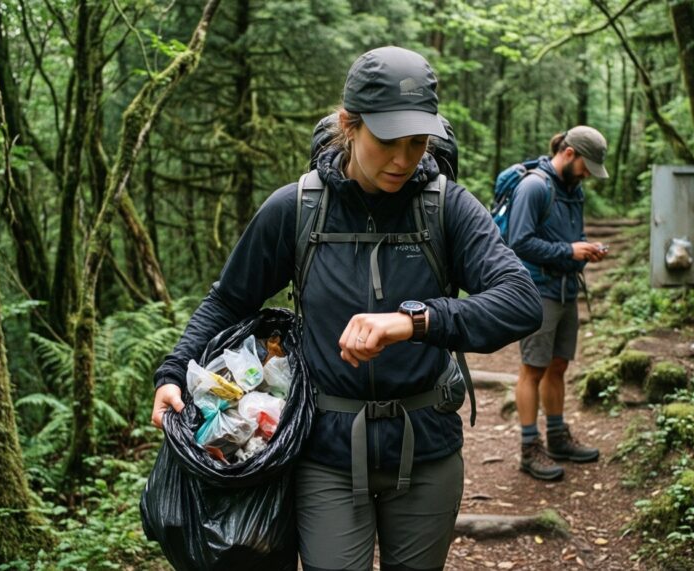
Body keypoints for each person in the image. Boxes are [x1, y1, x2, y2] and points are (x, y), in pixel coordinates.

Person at [151, 46, 541, 571]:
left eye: (417, 141)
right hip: (325, 453)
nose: (404, 159)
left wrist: (414, 320)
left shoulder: (447, 206)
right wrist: (173, 373)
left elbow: (520, 302)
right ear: (348, 125)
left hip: (425, 447)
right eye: (387, 141)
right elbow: (228, 299)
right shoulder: (295, 209)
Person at [507, 126, 610, 481]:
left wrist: (585, 250)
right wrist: (568, 250)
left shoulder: (574, 191)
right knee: (532, 368)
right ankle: (528, 447)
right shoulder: (535, 187)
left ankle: (557, 436)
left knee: (558, 366)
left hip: (567, 290)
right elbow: (518, 242)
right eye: (585, 166)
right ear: (569, 153)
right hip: (538, 291)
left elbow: (574, 237)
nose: (586, 175)